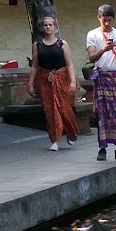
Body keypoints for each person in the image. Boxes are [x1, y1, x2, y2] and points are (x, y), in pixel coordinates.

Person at [85, 5, 116, 161]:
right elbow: (91, 57)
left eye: (109, 20)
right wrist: (103, 49)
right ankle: (102, 148)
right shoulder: (93, 34)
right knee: (102, 113)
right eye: (104, 20)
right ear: (98, 18)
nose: (107, 23)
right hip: (102, 77)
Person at [26, 14, 78, 151]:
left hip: (61, 78)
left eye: (50, 25)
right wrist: (30, 83)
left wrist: (73, 81)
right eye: (45, 25)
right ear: (42, 27)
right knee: (50, 110)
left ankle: (71, 132)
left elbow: (70, 64)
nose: (48, 27)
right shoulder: (37, 45)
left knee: (64, 108)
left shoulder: (62, 44)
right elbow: (35, 66)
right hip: (45, 80)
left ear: (55, 27)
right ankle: (55, 140)